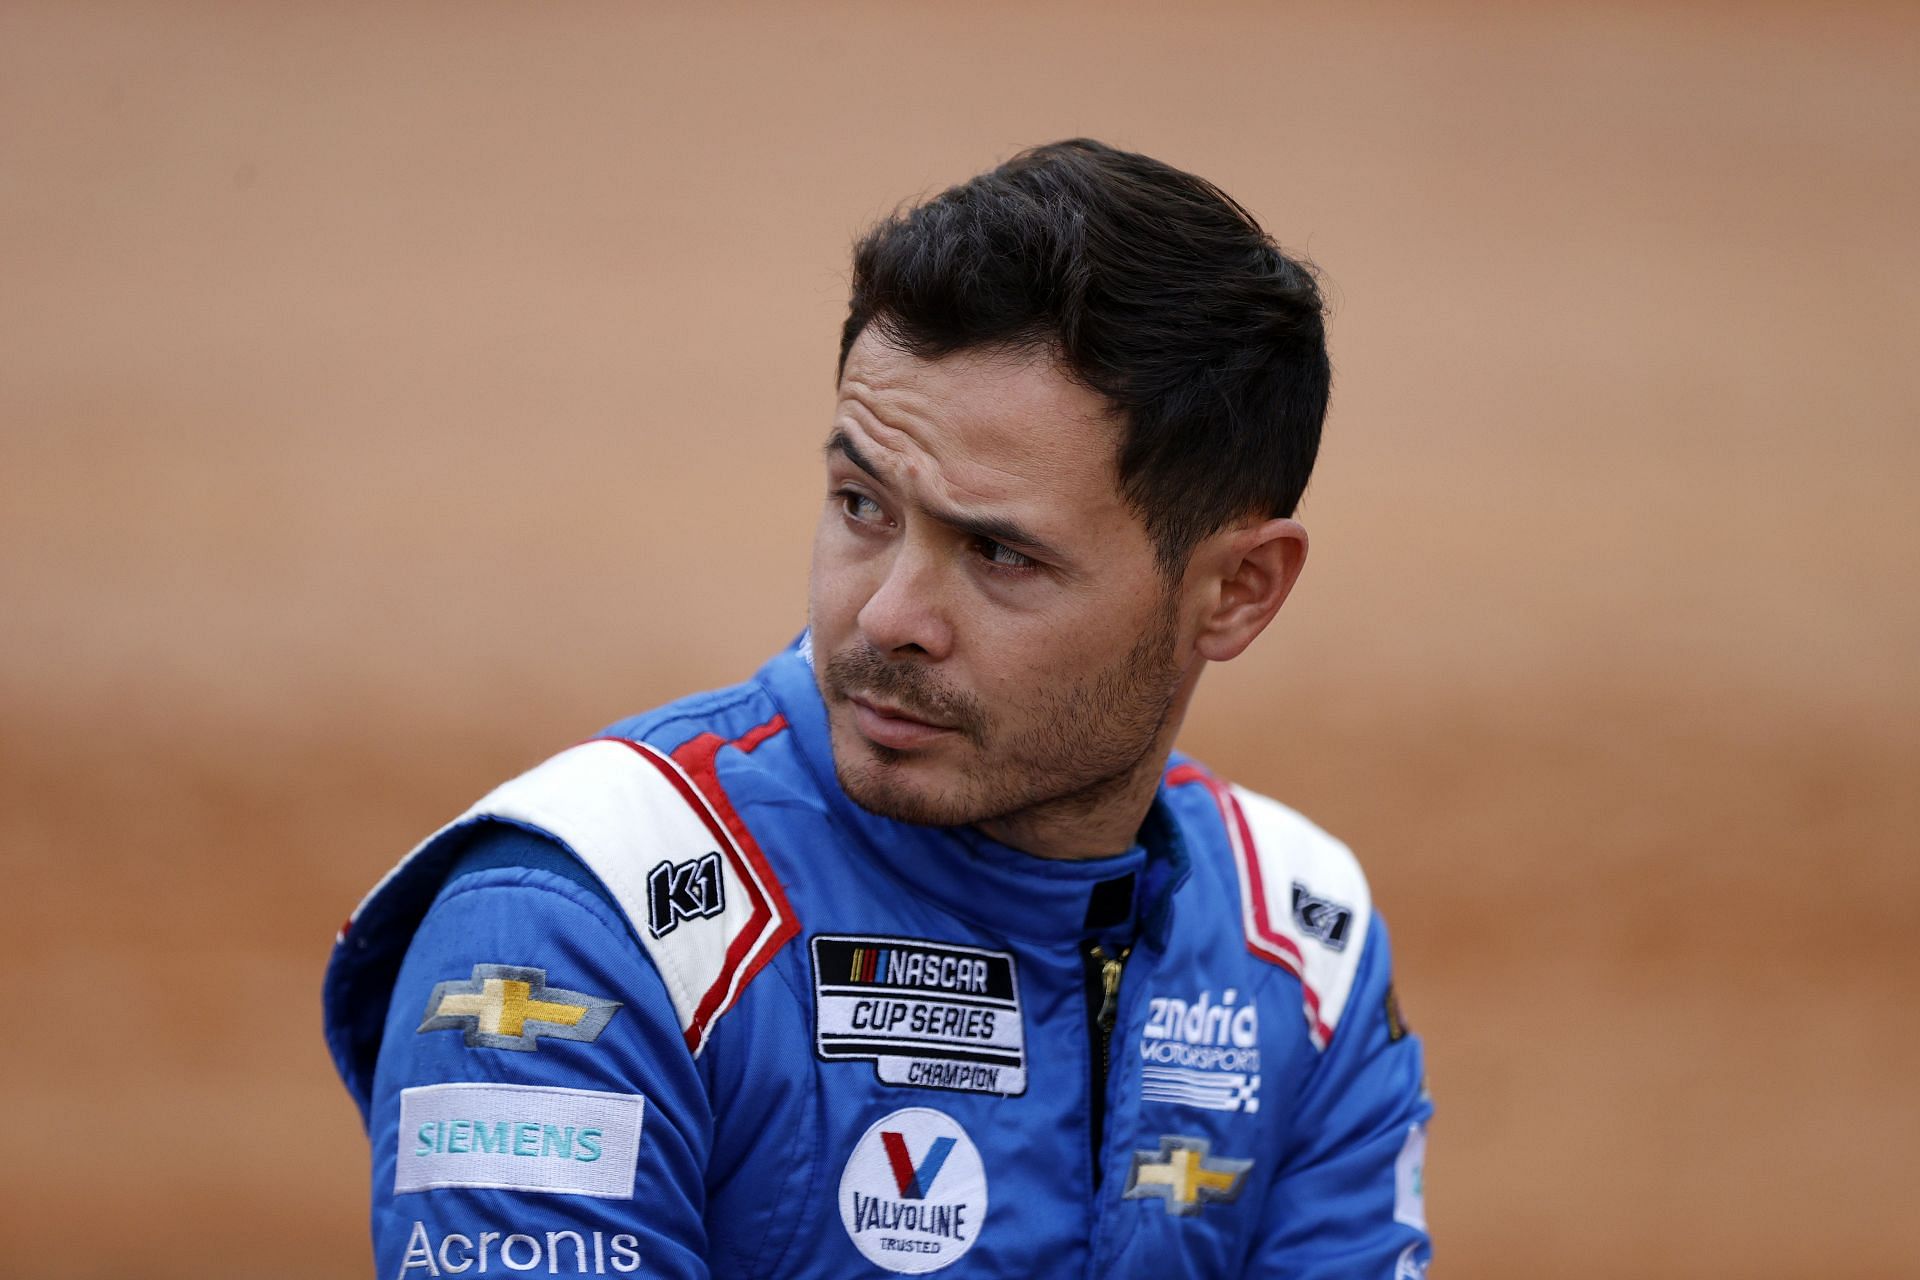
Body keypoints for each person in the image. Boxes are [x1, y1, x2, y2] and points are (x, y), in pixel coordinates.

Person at [324, 139, 1432, 1280]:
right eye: (862, 502)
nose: (887, 614)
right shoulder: (584, 926)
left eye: (1000, 552)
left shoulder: (1299, 950)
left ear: (1236, 591)